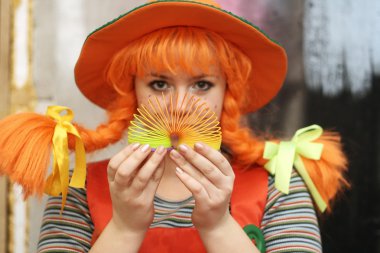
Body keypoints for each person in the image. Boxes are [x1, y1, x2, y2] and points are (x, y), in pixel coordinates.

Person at [0, 0, 348, 252]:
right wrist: (124, 227)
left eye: (201, 84)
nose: (180, 106)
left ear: (227, 93)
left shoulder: (279, 187)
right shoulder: (77, 189)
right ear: (131, 91)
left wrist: (217, 225)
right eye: (160, 84)